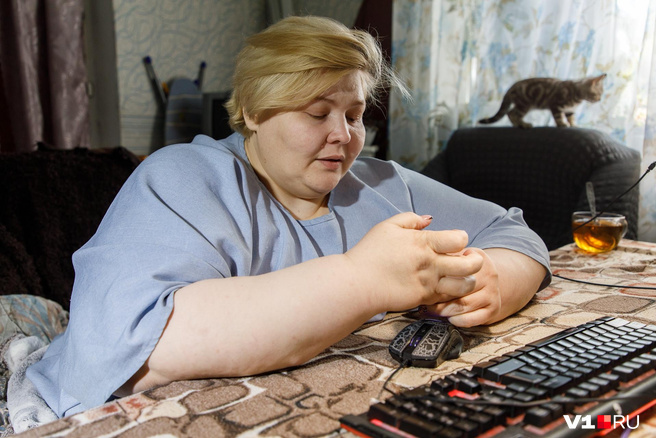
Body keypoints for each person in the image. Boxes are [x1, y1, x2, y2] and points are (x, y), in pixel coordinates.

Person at [26, 15, 550, 419]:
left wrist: (496, 280)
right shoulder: (184, 177)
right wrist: (362, 280)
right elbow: (146, 340)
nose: (343, 135)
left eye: (355, 115)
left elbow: (511, 231)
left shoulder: (383, 183)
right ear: (254, 111)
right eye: (317, 113)